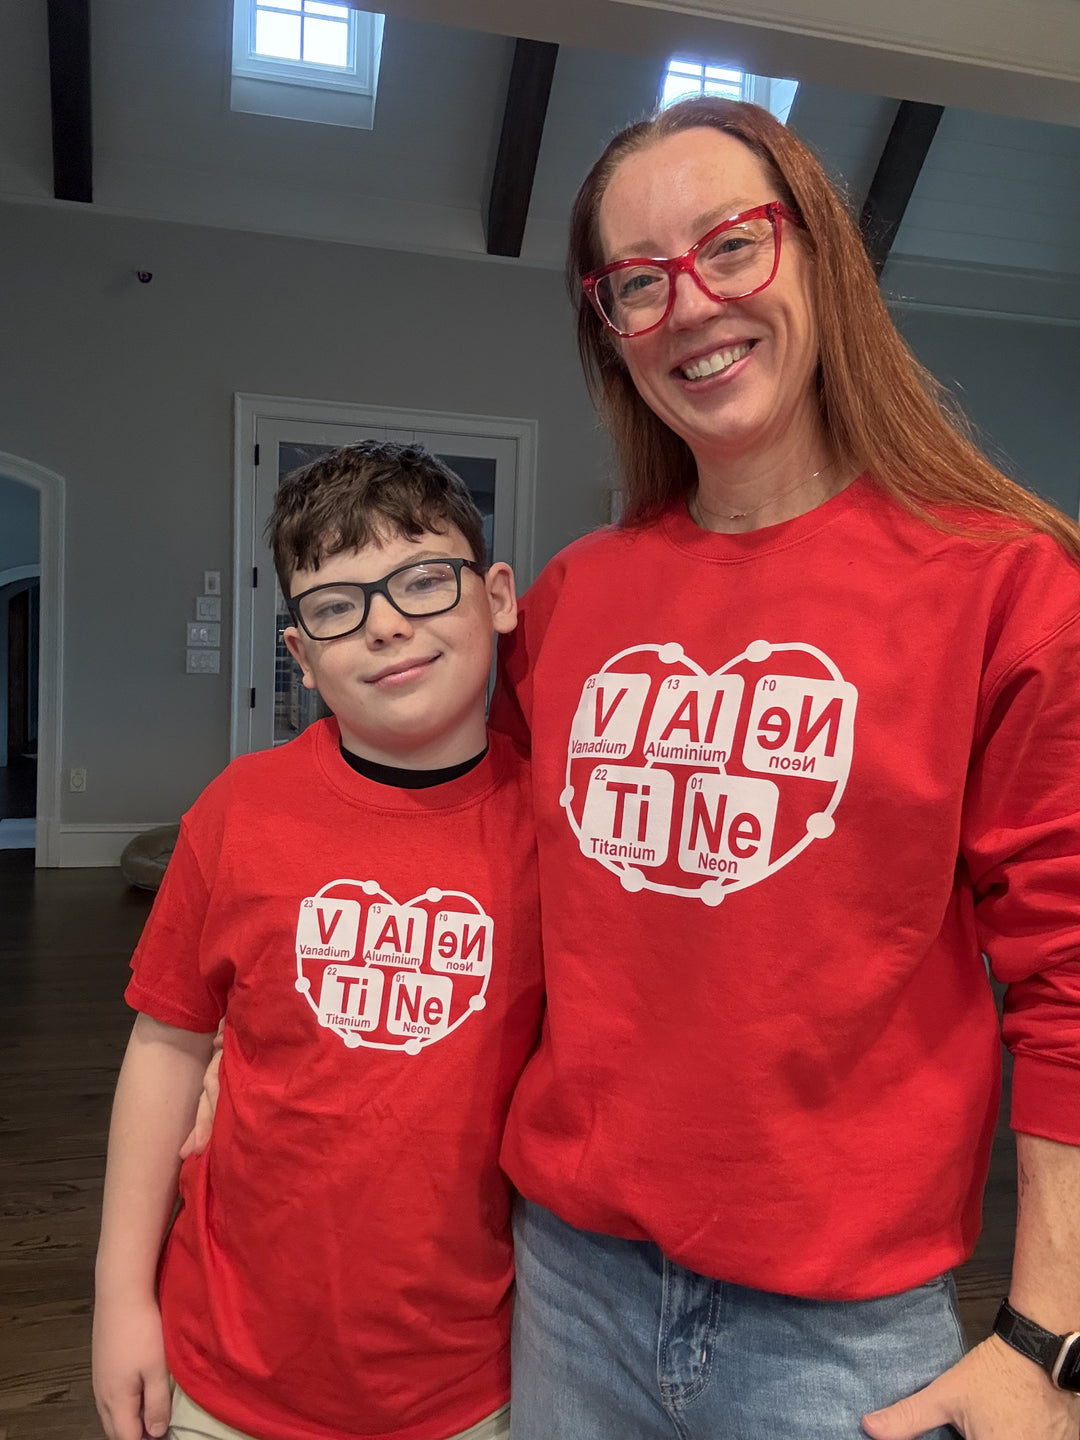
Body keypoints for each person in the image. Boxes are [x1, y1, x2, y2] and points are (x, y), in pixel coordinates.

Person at [490, 98, 1080, 1440]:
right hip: (566, 1282)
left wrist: (1047, 1338)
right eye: (638, 282)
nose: (689, 304)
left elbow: (1070, 978)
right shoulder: (576, 601)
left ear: (817, 254)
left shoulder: (1001, 583)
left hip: (840, 1335)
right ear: (611, 329)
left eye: (731, 246)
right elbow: (477, 872)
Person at [92, 442, 542, 1440]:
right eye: (337, 605)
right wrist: (121, 1299)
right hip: (229, 1365)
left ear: (498, 596)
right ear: (300, 654)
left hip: (469, 1381)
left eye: (425, 579)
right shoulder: (240, 812)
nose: (385, 623)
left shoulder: (552, 826)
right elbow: (167, 1050)